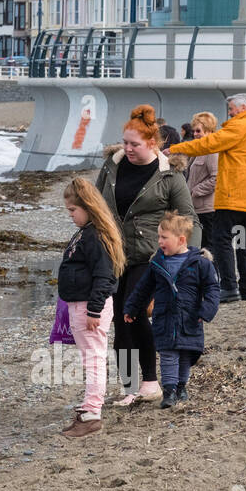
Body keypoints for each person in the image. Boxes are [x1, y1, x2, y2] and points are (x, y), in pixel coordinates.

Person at [95, 105, 200, 406]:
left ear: (152, 144)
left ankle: (150, 382)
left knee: (134, 312)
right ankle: (130, 387)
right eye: (125, 142)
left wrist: (190, 259)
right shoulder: (112, 166)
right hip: (114, 253)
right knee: (118, 319)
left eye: (134, 144)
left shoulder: (169, 175)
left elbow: (189, 218)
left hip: (151, 255)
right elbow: (96, 205)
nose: (127, 148)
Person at [169, 93, 246, 304]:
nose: (230, 113)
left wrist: (174, 149)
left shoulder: (239, 127)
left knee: (222, 240)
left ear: (242, 108)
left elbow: (208, 144)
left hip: (234, 197)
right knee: (244, 241)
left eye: (232, 109)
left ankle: (229, 287)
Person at [123, 211, 220, 409]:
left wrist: (206, 311)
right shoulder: (157, 263)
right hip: (164, 318)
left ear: (181, 239)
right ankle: (168, 392)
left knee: (186, 354)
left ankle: (181, 386)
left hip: (190, 318)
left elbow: (212, 288)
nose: (159, 241)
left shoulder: (200, 263)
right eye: (159, 236)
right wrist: (132, 308)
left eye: (164, 237)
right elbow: (143, 288)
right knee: (168, 354)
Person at [56, 177, 126, 438]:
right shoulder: (87, 232)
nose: (71, 216)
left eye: (73, 210)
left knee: (94, 358)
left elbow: (104, 276)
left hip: (89, 307)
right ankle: (88, 408)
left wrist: (94, 310)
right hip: (81, 304)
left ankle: (92, 414)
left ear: (88, 206)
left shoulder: (95, 236)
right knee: (90, 358)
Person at [185, 112, 219, 250]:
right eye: (193, 131)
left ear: (209, 130)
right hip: (197, 208)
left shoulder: (212, 151)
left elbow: (217, 178)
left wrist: (196, 191)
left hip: (207, 209)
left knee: (208, 247)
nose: (195, 134)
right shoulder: (199, 150)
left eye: (198, 131)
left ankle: (212, 272)